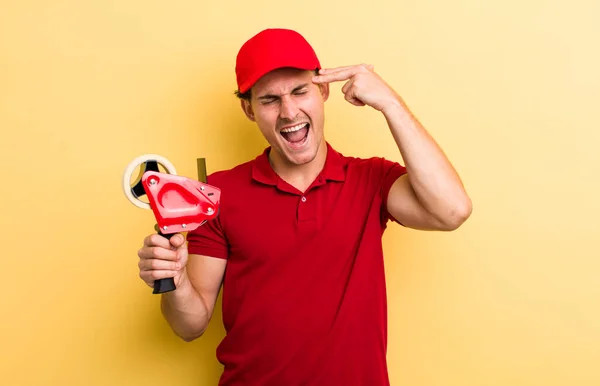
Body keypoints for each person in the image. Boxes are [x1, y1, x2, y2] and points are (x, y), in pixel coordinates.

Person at [136, 28, 472, 385]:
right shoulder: (217, 193)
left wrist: (391, 103)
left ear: (323, 90)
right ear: (248, 110)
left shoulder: (371, 179)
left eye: (300, 91)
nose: (288, 111)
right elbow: (189, 325)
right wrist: (174, 282)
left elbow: (452, 211)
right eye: (269, 100)